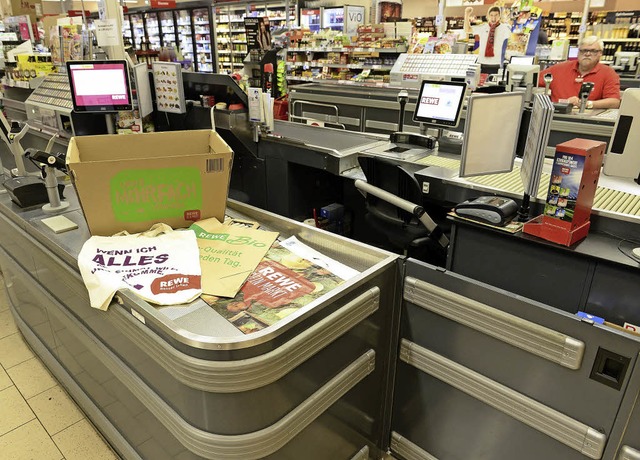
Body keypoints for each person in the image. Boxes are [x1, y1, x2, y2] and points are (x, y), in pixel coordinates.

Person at [538, 36, 621, 109]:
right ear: (578, 52)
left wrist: (585, 103)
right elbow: (533, 79)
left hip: (586, 121)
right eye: (583, 50)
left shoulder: (608, 73)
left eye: (593, 51)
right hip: (556, 116)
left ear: (600, 53)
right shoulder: (558, 69)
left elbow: (614, 102)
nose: (587, 54)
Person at [464, 6, 512, 73]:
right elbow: (467, 30)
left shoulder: (505, 28)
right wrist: (467, 14)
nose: (493, 18)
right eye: (491, 15)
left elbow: (512, 38)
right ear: (488, 16)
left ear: (499, 16)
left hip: (496, 64)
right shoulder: (483, 27)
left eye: (496, 15)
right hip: (482, 63)